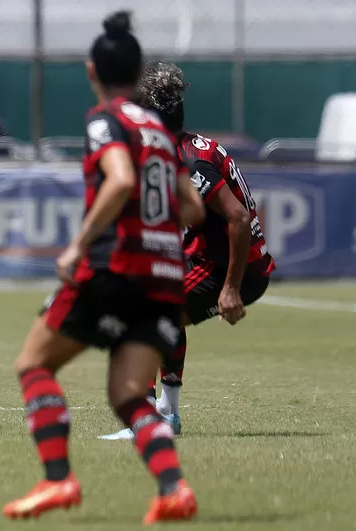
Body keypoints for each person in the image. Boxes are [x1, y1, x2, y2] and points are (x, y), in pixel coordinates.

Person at [2, 12, 205, 524]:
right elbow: (192, 209)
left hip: (116, 267)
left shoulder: (105, 119)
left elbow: (117, 181)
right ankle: (173, 488)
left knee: (33, 365)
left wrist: (79, 243)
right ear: (139, 74)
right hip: (164, 277)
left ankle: (57, 481)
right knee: (129, 395)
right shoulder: (158, 127)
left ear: (92, 70)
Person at [98, 62, 275, 441]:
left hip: (233, 269)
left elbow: (238, 220)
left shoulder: (187, 160)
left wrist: (230, 289)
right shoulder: (190, 147)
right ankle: (166, 415)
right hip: (214, 259)